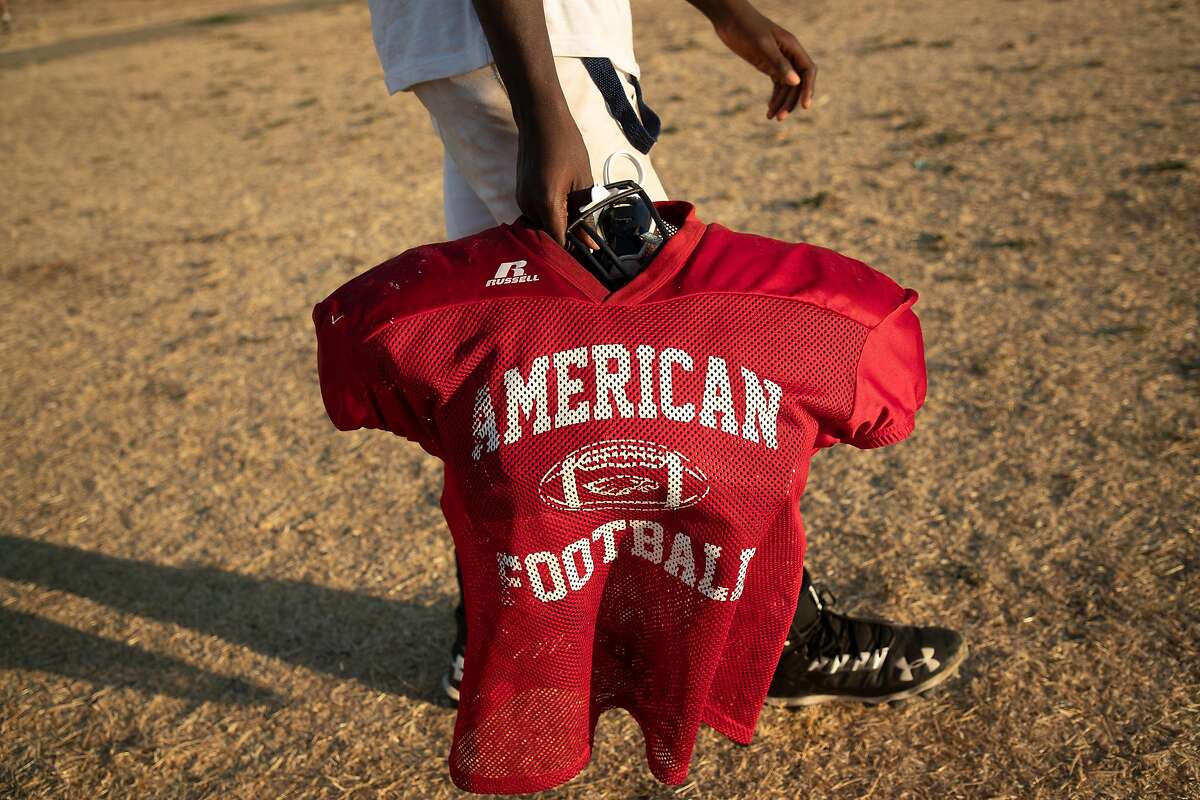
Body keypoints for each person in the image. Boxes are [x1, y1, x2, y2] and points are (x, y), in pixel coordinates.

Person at [365, 0, 965, 709]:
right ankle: (775, 642)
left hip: (484, 47)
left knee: (517, 362)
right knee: (659, 360)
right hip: (536, 47)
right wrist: (545, 109)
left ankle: (497, 638)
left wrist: (727, 11)